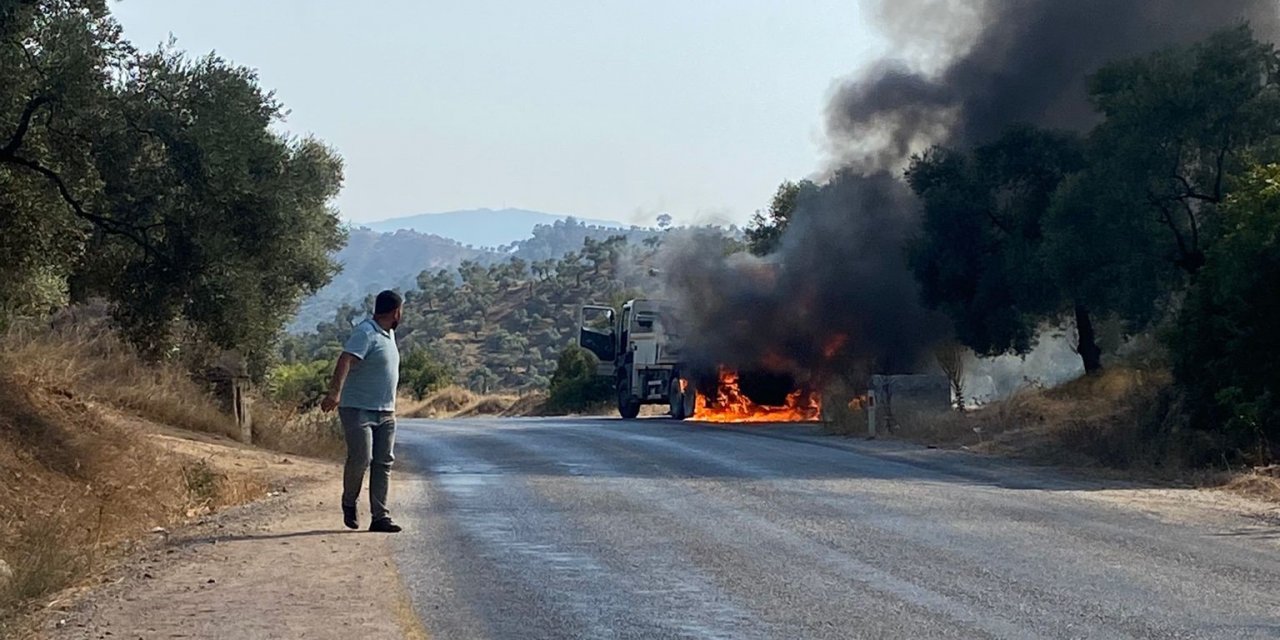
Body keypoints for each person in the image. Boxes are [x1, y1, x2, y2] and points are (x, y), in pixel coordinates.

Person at [321, 290, 404, 533]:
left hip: (386, 411)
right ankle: (349, 502)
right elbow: (346, 359)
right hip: (358, 409)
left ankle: (380, 517)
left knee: (383, 462)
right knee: (361, 459)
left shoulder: (388, 334)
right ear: (396, 311)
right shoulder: (366, 332)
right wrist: (335, 393)